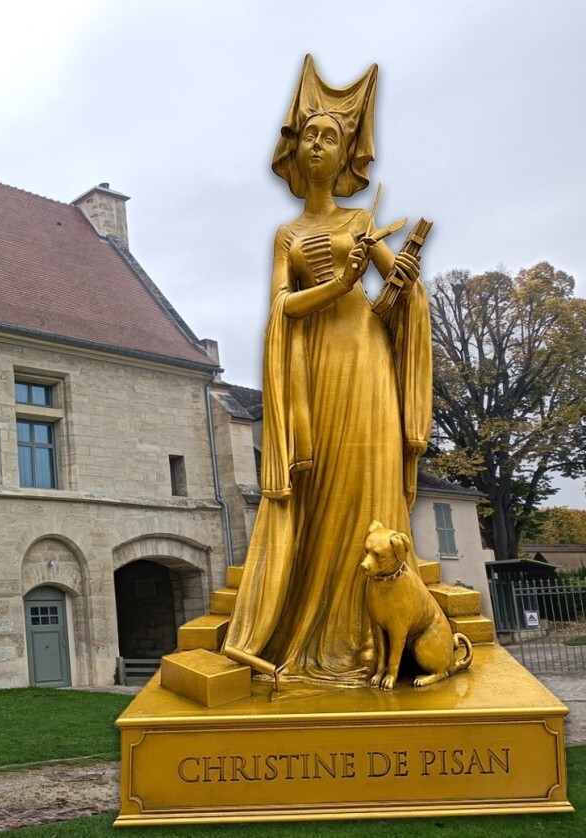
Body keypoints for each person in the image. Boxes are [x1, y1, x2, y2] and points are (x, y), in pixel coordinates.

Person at [222, 55, 431, 686]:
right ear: (296, 149)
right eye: (310, 133)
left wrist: (404, 283)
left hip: (366, 357)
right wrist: (337, 283)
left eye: (330, 136)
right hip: (316, 364)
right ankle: (316, 627)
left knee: (369, 484)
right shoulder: (287, 234)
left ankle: (375, 633)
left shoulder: (362, 222)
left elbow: (394, 287)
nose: (318, 143)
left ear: (346, 156)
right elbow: (281, 308)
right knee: (323, 489)